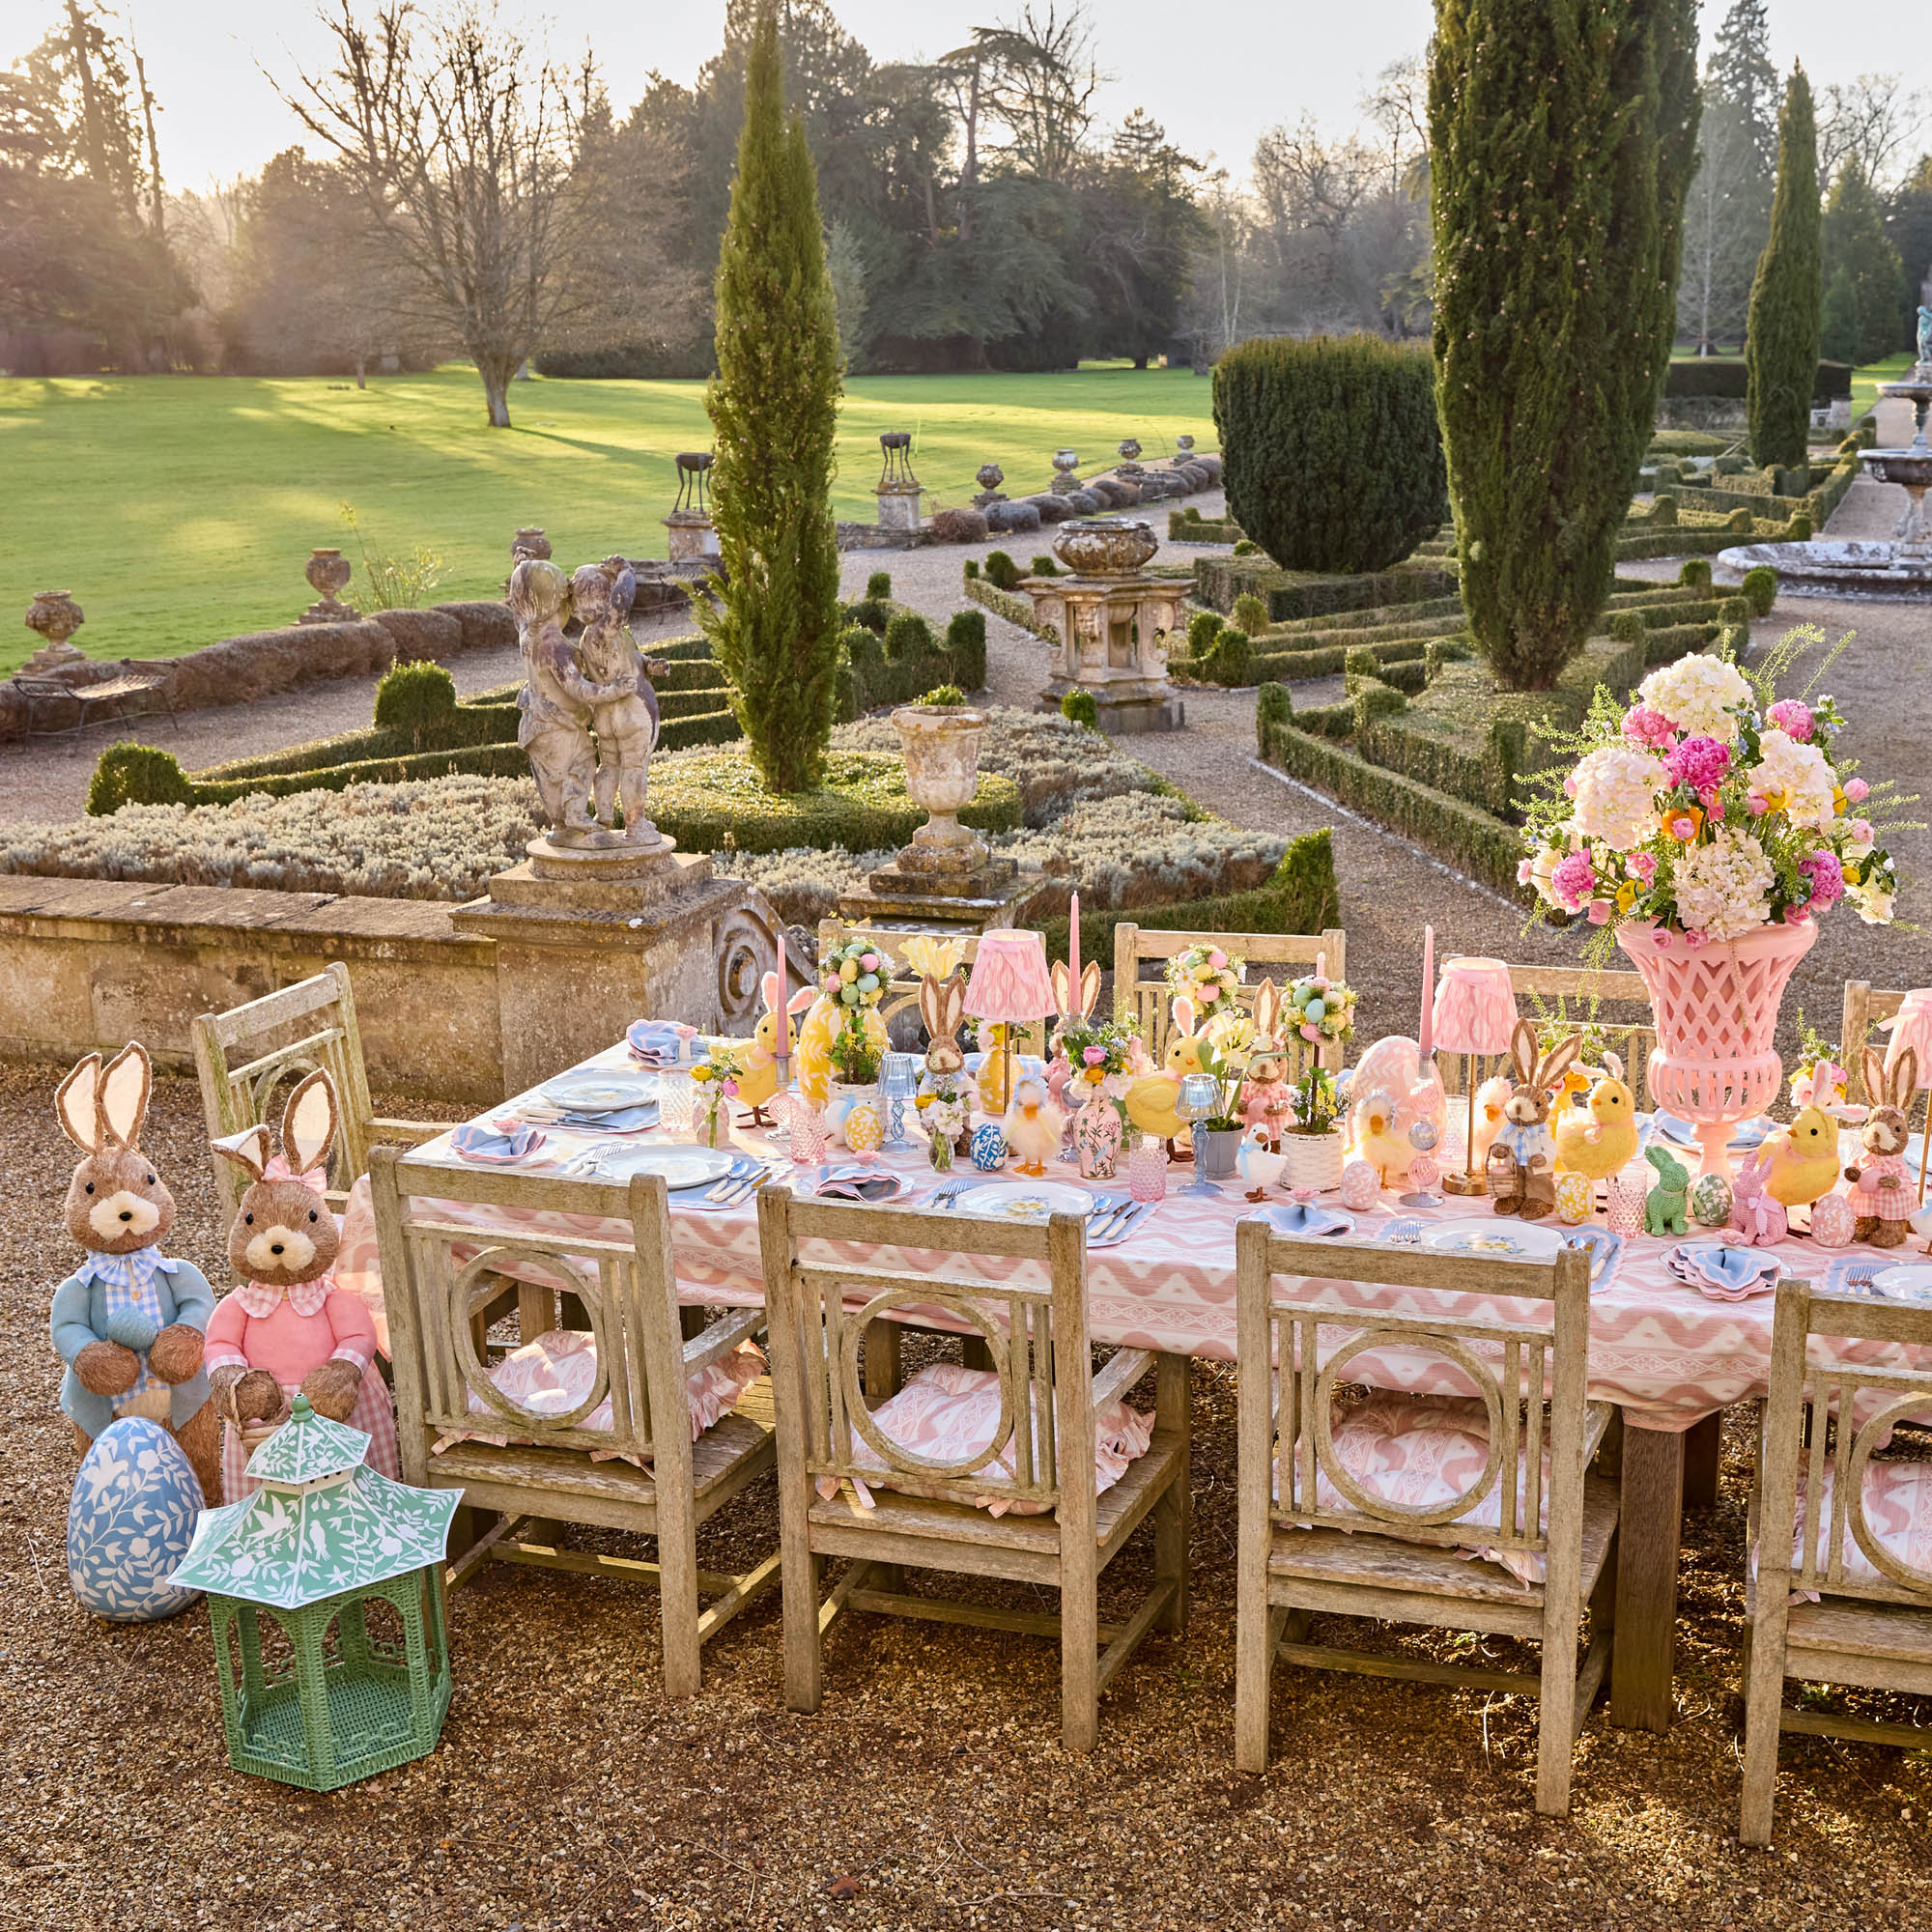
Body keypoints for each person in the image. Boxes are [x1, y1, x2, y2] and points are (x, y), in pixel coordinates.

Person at [509, 557, 626, 845]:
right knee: (584, 762)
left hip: (534, 723)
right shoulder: (556, 646)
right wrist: (615, 690)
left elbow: (519, 614)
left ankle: (560, 825)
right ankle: (575, 813)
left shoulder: (527, 635)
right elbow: (579, 689)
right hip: (559, 723)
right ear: (558, 605)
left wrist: (520, 571)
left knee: (549, 776)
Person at [571, 556, 662, 845]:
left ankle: (604, 815)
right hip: (631, 712)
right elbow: (622, 606)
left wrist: (648, 664)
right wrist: (626, 572)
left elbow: (622, 663)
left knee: (609, 764)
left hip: (607, 716)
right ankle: (636, 825)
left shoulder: (588, 637)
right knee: (634, 767)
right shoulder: (604, 630)